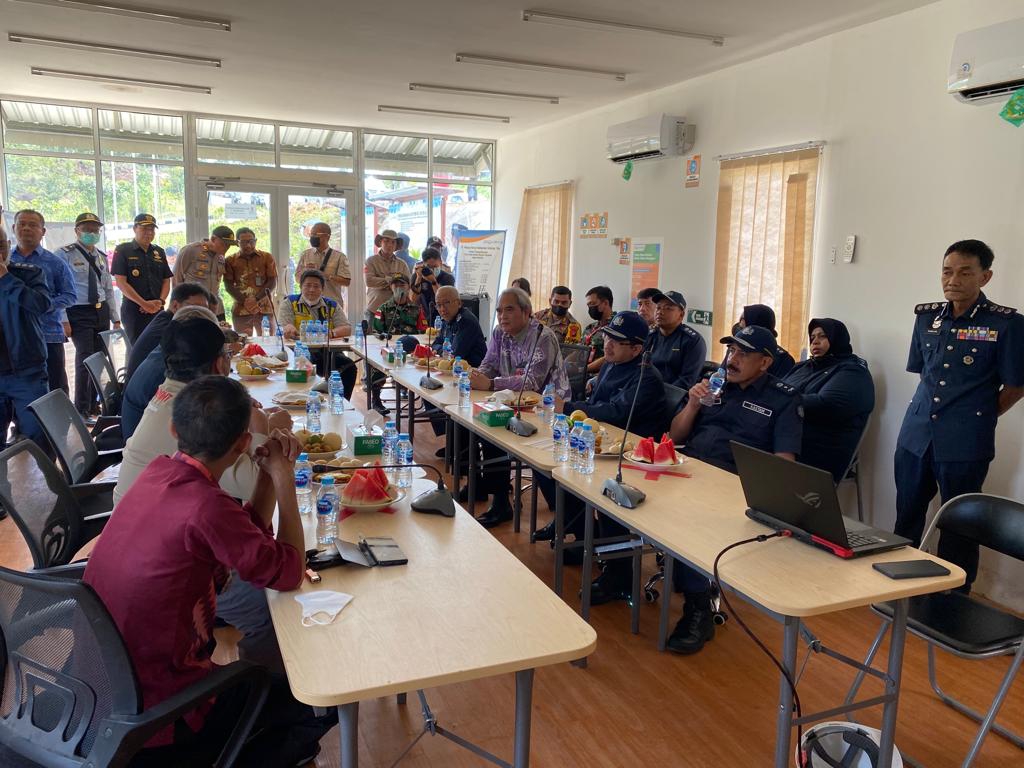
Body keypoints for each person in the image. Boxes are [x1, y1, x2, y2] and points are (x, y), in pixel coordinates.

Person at [85, 376, 331, 766]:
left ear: (173, 429)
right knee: (303, 705)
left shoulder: (159, 473)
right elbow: (289, 572)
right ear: (243, 443)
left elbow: (247, 538)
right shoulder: (206, 506)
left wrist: (268, 476)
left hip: (99, 693)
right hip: (156, 716)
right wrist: (286, 478)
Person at [660, 324, 802, 654]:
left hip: (732, 487)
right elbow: (675, 436)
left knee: (688, 521)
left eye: (743, 353)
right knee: (621, 490)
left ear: (765, 362)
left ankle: (699, 611)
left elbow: (784, 463)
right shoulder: (715, 384)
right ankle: (617, 571)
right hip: (689, 470)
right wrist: (693, 404)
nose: (732, 359)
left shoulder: (783, 399)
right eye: (731, 351)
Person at [893, 239, 1024, 593]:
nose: (953, 280)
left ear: (985, 277)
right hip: (916, 435)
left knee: (959, 525)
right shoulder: (926, 318)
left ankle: (952, 599)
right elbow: (924, 373)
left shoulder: (1006, 324)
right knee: (907, 515)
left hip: (966, 441)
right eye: (947, 272)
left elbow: (1016, 385)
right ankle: (895, 592)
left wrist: (980, 417)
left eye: (965, 272)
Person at [534, 311, 668, 543]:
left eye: (616, 341)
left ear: (636, 349)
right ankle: (575, 524)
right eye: (607, 337)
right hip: (600, 442)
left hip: (628, 456)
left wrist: (567, 407)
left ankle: (593, 541)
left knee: (576, 472)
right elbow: (596, 404)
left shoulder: (646, 377)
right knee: (542, 464)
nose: (607, 344)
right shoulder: (611, 364)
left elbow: (615, 413)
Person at [468, 287, 571, 528]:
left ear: (526, 312)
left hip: (548, 408)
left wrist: (490, 384)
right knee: (485, 430)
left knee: (497, 434)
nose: (502, 316)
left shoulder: (542, 337)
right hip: (511, 403)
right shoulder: (499, 332)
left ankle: (562, 512)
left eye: (509, 310)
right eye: (499, 311)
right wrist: (476, 376)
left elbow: (532, 382)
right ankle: (498, 499)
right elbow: (489, 364)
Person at [783, 319, 875, 481]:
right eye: (812, 337)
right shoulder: (804, 366)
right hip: (790, 439)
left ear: (837, 338)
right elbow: (777, 389)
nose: (815, 341)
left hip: (819, 449)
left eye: (822, 336)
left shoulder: (853, 372)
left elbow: (826, 405)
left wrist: (779, 400)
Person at [59, 212, 122, 418]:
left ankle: (96, 404)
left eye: (95, 229)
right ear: (77, 231)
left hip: (100, 310)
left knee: (99, 358)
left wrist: (115, 318)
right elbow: (58, 289)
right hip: (78, 311)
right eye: (87, 229)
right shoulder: (64, 254)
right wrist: (64, 320)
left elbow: (108, 289)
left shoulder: (101, 256)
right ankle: (82, 408)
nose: (91, 233)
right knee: (84, 358)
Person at [0, 215, 52, 456]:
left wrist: (5, 279)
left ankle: (51, 480)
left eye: (1, 246)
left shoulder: (29, 274)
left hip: (26, 372)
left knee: (40, 437)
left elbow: (41, 305)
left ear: (8, 246)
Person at [10, 209, 76, 394]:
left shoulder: (55, 262)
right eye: (22, 224)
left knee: (56, 389)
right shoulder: (6, 262)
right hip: (13, 338)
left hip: (48, 334)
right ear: (13, 228)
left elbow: (70, 295)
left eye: (33, 225)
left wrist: (43, 305)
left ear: (43, 231)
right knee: (18, 391)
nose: (26, 228)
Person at [279, 269, 357, 400]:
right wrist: (289, 328)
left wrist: (331, 333)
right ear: (301, 286)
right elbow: (284, 325)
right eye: (308, 285)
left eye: (316, 286)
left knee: (349, 367)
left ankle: (341, 403)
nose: (311, 289)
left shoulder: (331, 305)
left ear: (322, 289)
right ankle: (301, 400)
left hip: (327, 352)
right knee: (303, 367)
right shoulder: (290, 302)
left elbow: (346, 328)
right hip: (299, 352)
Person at [425, 285, 487, 447]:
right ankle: (452, 443)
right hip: (454, 374)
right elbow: (436, 343)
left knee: (436, 390)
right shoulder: (447, 319)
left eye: (446, 303)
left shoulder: (466, 321)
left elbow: (455, 352)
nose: (442, 309)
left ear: (458, 303)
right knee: (427, 387)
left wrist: (441, 349)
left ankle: (459, 448)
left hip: (473, 377)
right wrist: (441, 349)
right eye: (438, 305)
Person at [125, 283, 212, 382]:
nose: (202, 315)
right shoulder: (171, 330)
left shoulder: (164, 319)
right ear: (175, 306)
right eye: (196, 308)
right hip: (148, 389)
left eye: (205, 310)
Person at [367, 274, 425, 414]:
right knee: (375, 363)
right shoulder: (383, 308)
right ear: (391, 288)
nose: (399, 288)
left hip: (411, 350)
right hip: (389, 348)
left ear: (408, 287)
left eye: (402, 285)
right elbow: (376, 331)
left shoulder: (416, 309)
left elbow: (423, 331)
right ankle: (376, 400)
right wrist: (384, 337)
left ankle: (420, 396)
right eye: (396, 285)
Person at [112, 213, 172, 342]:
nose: (149, 233)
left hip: (157, 308)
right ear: (135, 229)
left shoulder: (159, 252)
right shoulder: (123, 250)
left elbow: (166, 280)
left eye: (152, 229)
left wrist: (160, 302)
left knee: (159, 346)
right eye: (144, 229)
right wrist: (144, 304)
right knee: (136, 347)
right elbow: (121, 283)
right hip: (134, 310)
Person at [647, 289, 707, 391]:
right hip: (646, 390)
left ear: (681, 315)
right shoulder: (649, 335)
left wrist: (659, 394)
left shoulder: (692, 341)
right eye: (658, 307)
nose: (660, 312)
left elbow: (687, 381)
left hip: (674, 395)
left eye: (668, 308)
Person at [173, 225, 236, 319]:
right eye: (224, 244)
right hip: (194, 307)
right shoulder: (191, 250)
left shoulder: (221, 257)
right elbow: (176, 277)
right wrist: (178, 304)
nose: (226, 248)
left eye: (229, 245)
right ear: (213, 239)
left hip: (215, 307)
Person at [223, 227, 278, 335]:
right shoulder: (230, 260)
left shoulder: (267, 257)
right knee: (243, 341)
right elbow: (228, 285)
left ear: (255, 241)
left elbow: (272, 281)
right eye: (244, 242)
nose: (248, 245)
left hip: (264, 308)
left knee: (268, 341)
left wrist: (256, 299)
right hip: (241, 308)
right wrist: (245, 302)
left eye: (251, 241)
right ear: (237, 243)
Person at [294, 221, 350, 312]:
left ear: (327, 236)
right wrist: (305, 271)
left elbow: (346, 282)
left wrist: (325, 275)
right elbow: (297, 278)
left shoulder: (340, 257)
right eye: (311, 234)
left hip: (331, 305)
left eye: (315, 234)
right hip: (308, 305)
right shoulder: (305, 255)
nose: (312, 237)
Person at [734, 304, 795, 377]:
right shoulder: (735, 348)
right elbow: (723, 376)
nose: (739, 324)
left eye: (742, 320)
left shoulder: (783, 360)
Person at [365, 228, 411, 312]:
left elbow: (408, 284)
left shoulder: (402, 264)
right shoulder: (371, 261)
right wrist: (392, 281)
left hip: (397, 310)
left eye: (393, 242)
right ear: (380, 242)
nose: (389, 245)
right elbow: (369, 281)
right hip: (375, 309)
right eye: (386, 241)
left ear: (396, 245)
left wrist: (384, 281)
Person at [412, 246, 454, 324]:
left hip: (443, 317)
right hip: (423, 317)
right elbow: (413, 300)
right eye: (429, 267)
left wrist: (433, 282)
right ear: (423, 264)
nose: (432, 270)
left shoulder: (448, 278)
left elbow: (444, 299)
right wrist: (418, 278)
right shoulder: (417, 276)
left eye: (435, 266)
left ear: (440, 262)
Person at [583, 285, 614, 374]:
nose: (590, 308)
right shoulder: (590, 328)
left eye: (592, 303)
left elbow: (611, 356)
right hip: (583, 374)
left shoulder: (616, 328)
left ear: (605, 303)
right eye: (588, 305)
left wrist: (583, 370)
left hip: (602, 376)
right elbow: (580, 350)